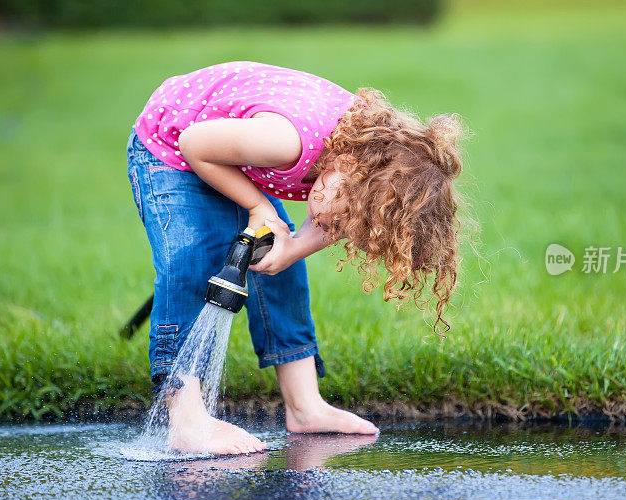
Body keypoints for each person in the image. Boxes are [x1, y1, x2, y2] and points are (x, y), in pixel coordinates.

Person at [126, 60, 467, 455]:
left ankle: (305, 407)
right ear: (349, 165)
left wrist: (293, 248)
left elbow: (322, 221)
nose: (339, 224)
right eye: (349, 212)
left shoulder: (354, 165)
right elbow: (195, 144)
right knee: (191, 262)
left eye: (353, 225)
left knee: (281, 270)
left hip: (234, 153)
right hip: (172, 146)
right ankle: (185, 417)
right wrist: (258, 207)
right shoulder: (285, 142)